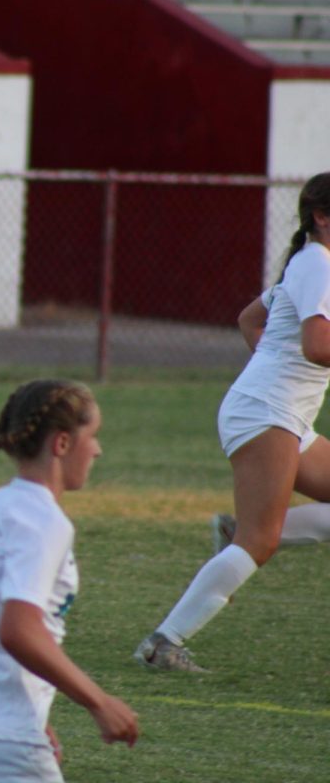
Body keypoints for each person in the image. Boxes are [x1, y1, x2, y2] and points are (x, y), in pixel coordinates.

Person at [135, 172, 330, 672]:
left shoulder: (310, 265)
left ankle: (236, 531)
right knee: (258, 542)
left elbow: (250, 319)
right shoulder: (319, 265)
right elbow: (317, 346)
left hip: (273, 410)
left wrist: (269, 377)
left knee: (257, 533)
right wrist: (271, 385)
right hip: (268, 412)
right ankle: (163, 644)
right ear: (322, 218)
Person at [0, 379, 138, 783]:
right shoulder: (44, 521)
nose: (98, 449)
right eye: (93, 436)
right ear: (62, 444)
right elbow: (18, 630)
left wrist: (26, 714)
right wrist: (98, 702)